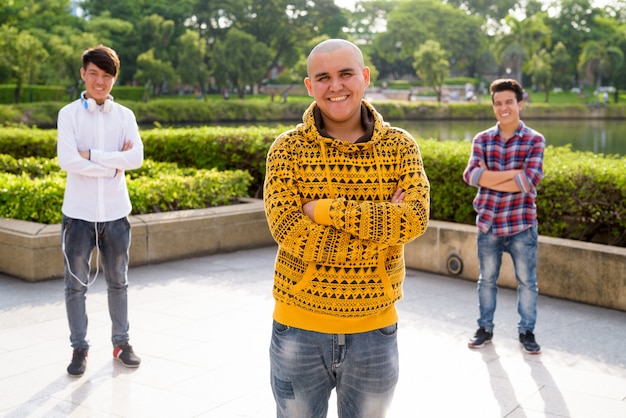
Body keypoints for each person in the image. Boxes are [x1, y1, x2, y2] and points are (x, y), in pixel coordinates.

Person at [263, 39, 430, 417]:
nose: (335, 86)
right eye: (323, 77)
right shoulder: (286, 150)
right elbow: (289, 231)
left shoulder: (401, 147)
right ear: (310, 86)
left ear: (365, 77)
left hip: (375, 328)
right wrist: (383, 226)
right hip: (298, 328)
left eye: (345, 74)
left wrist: (324, 210)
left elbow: (415, 219)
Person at [57, 45, 144, 376]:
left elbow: (135, 158)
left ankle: (121, 343)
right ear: (83, 74)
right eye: (93, 73)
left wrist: (91, 155)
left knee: (118, 282)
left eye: (106, 76)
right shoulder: (69, 114)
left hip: (116, 215)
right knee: (75, 285)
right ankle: (79, 348)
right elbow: (68, 160)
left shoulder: (125, 116)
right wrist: (111, 164)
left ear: (114, 79)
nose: (99, 81)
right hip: (77, 215)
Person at [462, 78, 545, 354]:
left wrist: (489, 177)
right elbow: (471, 176)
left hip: (522, 225)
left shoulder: (535, 140)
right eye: (498, 103)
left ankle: (527, 332)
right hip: (488, 224)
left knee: (527, 282)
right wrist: (511, 175)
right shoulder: (482, 139)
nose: (503, 107)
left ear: (520, 104)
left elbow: (529, 180)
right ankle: (484, 328)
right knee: (486, 280)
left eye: (509, 102)